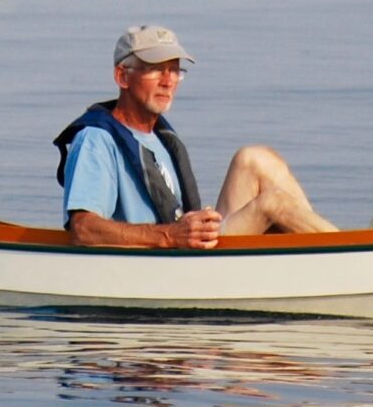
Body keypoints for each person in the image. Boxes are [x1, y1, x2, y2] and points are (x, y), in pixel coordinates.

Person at [57, 24, 338, 249]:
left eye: (174, 70)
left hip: (187, 248)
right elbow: (83, 229)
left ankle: (334, 246)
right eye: (155, 69)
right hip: (164, 259)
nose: (168, 81)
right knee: (272, 202)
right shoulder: (97, 140)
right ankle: (345, 251)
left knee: (255, 159)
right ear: (122, 77)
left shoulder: (158, 136)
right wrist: (170, 236)